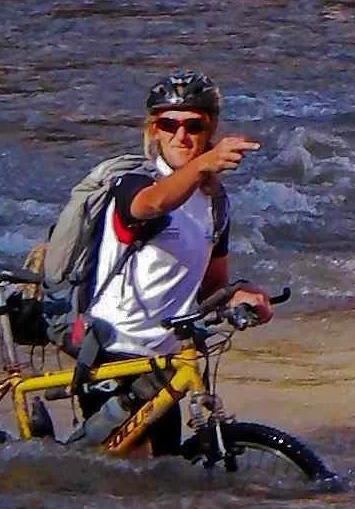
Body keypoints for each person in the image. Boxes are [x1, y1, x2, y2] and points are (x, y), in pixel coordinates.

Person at [75, 70, 274, 450]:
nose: (181, 135)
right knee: (119, 475)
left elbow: (212, 286)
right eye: (169, 124)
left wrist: (240, 295)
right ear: (154, 130)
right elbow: (150, 205)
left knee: (165, 470)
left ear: (209, 129)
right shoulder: (135, 182)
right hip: (115, 350)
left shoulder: (215, 202)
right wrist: (203, 165)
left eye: (193, 125)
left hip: (166, 358)